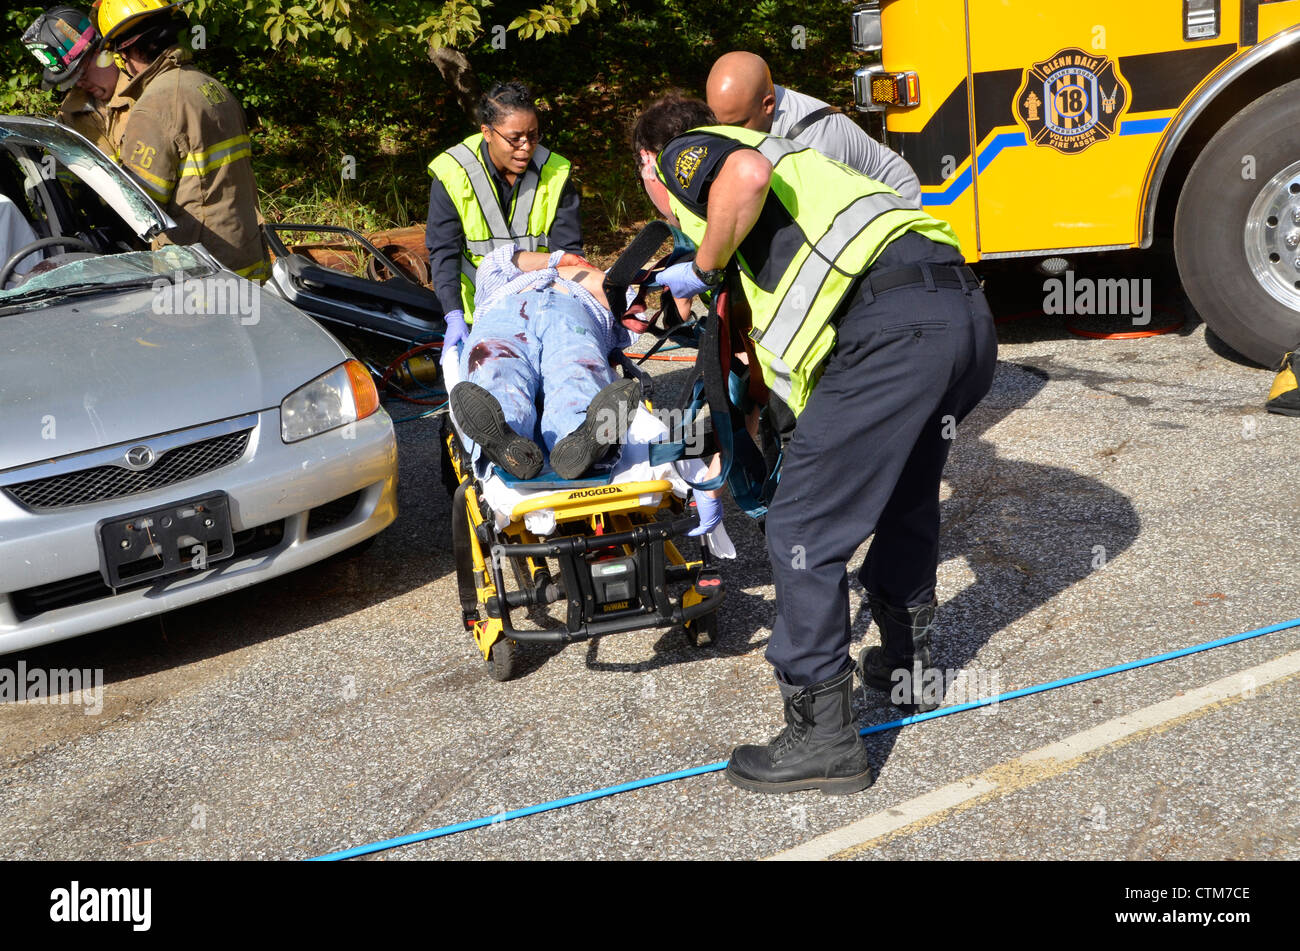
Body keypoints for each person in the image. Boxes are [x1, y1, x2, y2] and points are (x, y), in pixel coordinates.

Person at [631, 94, 996, 794]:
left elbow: (740, 178)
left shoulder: (687, 151)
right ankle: (908, 666)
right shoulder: (800, 162)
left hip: (895, 328)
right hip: (961, 313)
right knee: (904, 495)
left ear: (650, 161)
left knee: (802, 523)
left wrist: (702, 265)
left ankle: (822, 737)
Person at [97, 0, 269, 281]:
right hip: (245, 260)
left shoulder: (154, 105)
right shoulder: (211, 86)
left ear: (128, 52)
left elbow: (140, 207)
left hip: (199, 275)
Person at [427, 81, 583, 354]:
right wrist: (453, 315)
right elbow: (444, 252)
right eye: (515, 138)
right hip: (478, 316)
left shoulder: (555, 172)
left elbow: (568, 253)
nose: (526, 147)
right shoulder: (453, 173)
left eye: (533, 136)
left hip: (539, 309)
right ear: (487, 132)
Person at [705, 50, 921, 207]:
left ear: (768, 104)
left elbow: (824, 219)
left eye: (737, 125)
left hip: (891, 204)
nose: (727, 134)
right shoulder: (751, 107)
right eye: (718, 124)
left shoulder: (813, 139)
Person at [20, 5, 125, 157]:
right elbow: (58, 170)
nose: (79, 84)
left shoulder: (149, 88)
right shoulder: (69, 116)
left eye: (81, 73)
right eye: (71, 79)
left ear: (100, 51)